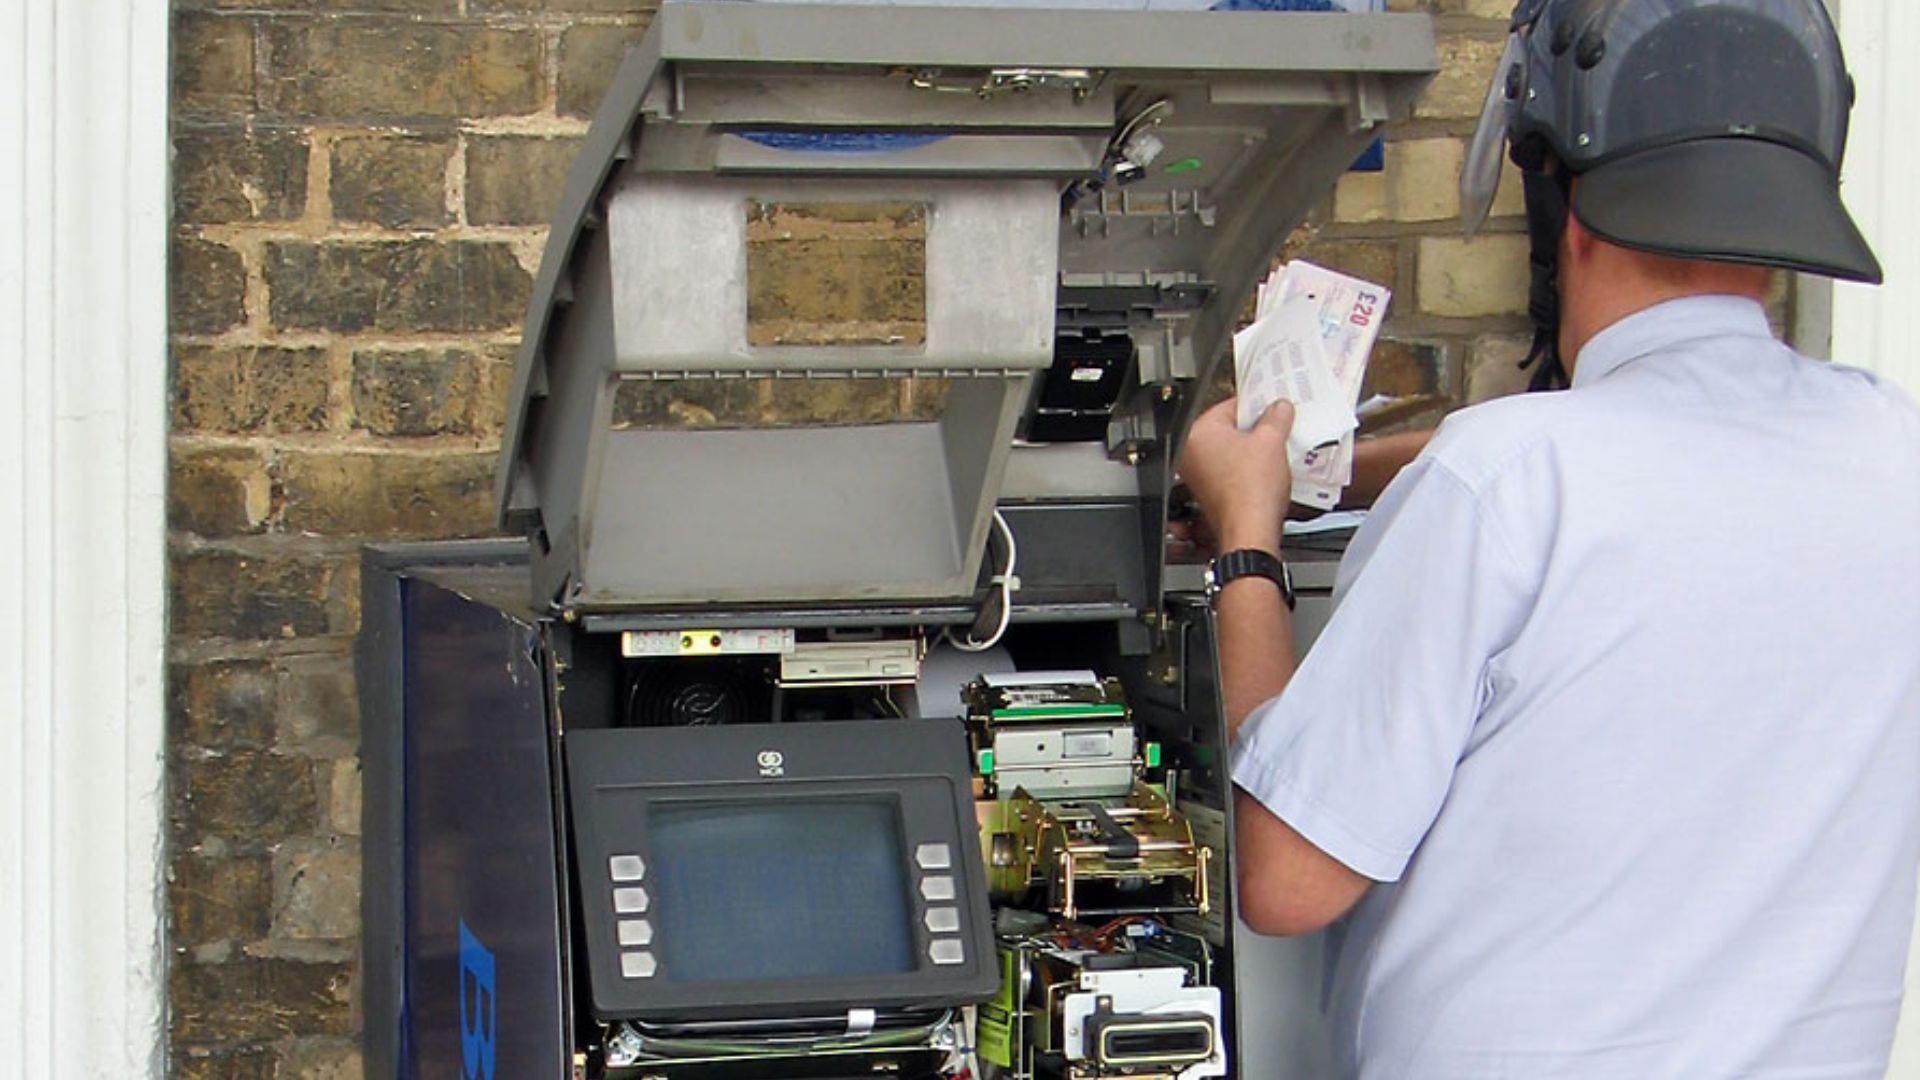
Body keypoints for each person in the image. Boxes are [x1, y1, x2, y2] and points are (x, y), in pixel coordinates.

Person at [1177, 0, 1920, 1076]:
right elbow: (1678, 440)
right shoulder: (1894, 453)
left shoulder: (1500, 489)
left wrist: (1248, 542)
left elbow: (1288, 877)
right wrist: (1366, 464)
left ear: (1563, 206)